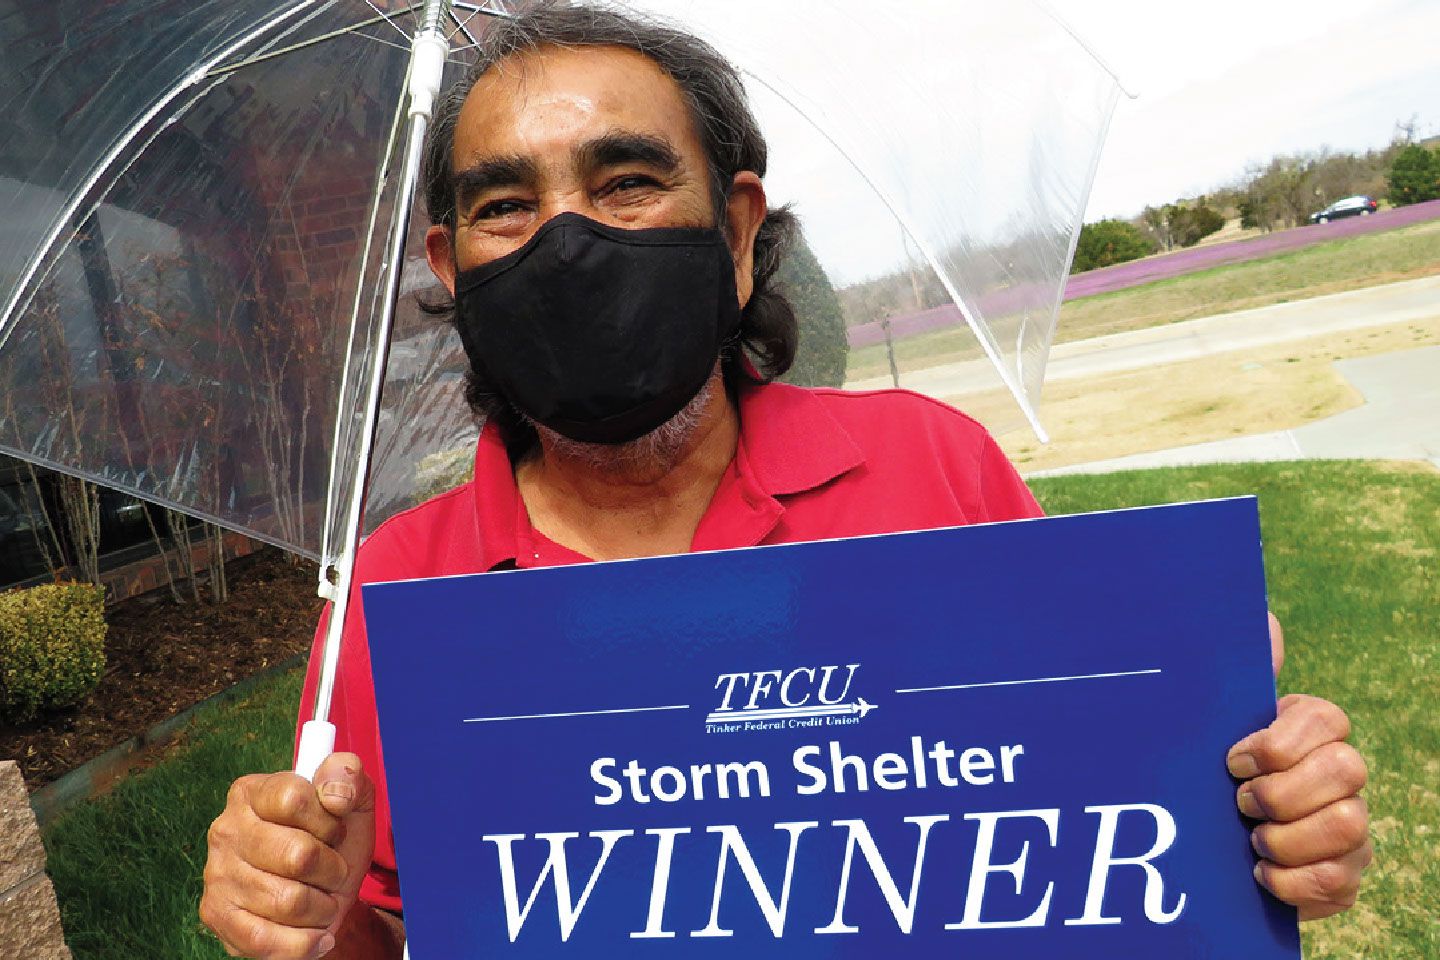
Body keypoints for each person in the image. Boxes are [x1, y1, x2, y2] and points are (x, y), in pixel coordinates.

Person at [199, 6, 1371, 958]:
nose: (567, 239)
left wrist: (1264, 819)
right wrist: (310, 914)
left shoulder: (932, 467)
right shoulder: (397, 595)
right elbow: (400, 936)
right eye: (506, 206)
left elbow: (1111, 825)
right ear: (451, 269)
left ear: (739, 224)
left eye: (624, 183)